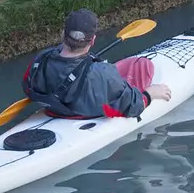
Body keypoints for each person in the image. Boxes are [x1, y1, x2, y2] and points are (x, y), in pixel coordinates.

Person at [21, 9, 171, 120]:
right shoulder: (104, 74)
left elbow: (27, 86)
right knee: (142, 66)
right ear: (92, 40)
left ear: (62, 34)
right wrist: (150, 94)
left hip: (54, 110)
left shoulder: (41, 59)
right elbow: (132, 106)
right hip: (81, 115)